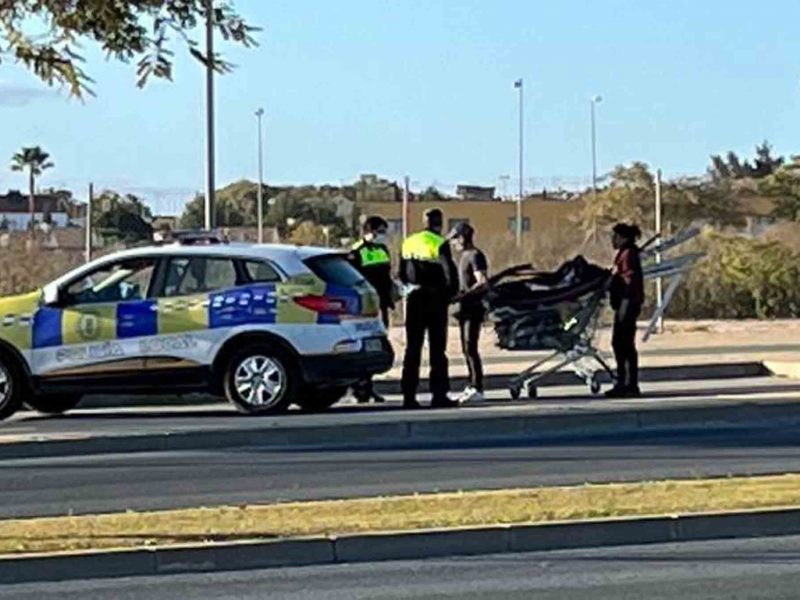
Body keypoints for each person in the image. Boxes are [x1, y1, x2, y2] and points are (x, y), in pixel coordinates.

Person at [399, 208, 459, 409]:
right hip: (434, 300)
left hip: (413, 299)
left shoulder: (408, 242)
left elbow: (401, 273)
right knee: (437, 350)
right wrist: (451, 295)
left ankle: (408, 396)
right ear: (439, 223)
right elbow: (449, 273)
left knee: (412, 349)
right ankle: (439, 395)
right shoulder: (439, 243)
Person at [349, 215, 395, 403]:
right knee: (363, 346)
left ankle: (369, 386)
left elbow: (386, 275)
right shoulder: (356, 251)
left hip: (381, 304)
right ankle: (359, 388)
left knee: (377, 346)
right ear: (371, 231)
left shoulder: (383, 249)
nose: (384, 235)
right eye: (381, 231)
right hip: (364, 307)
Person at [449, 222, 489, 404]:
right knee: (466, 348)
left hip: (474, 308)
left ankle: (477, 387)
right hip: (464, 309)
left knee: (470, 347)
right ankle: (470, 384)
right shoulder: (463, 256)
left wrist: (464, 295)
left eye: (454, 238)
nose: (452, 243)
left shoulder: (475, 255)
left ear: (462, 238)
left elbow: (482, 281)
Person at [606, 222, 645, 398]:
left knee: (623, 344)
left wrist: (624, 305)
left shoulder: (628, 254)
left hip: (627, 305)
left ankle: (628, 384)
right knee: (621, 344)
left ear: (622, 238)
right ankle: (625, 382)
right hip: (625, 304)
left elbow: (630, 281)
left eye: (615, 237)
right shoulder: (625, 253)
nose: (612, 240)